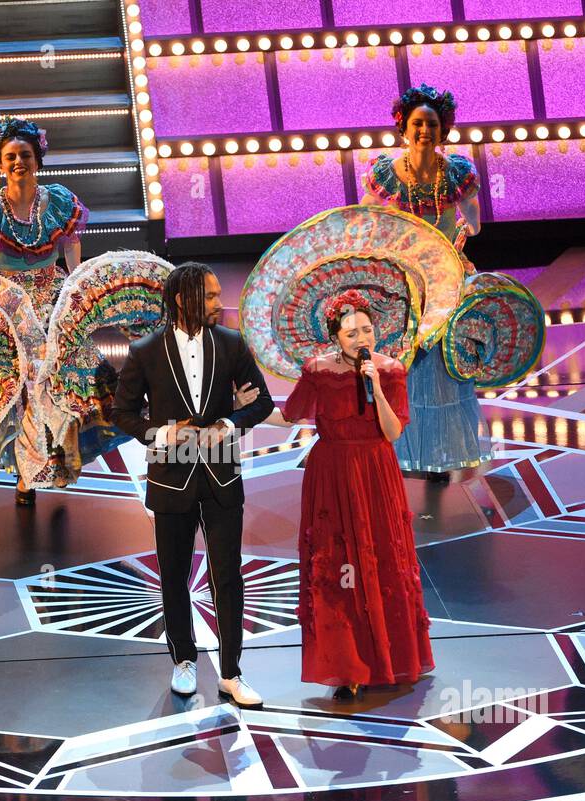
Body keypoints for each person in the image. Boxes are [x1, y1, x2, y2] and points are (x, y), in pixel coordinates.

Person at [244, 291, 435, 700]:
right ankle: (347, 663)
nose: (361, 338)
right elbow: (290, 416)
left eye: (367, 330)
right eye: (351, 333)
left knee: (382, 559)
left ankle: (391, 655)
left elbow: (393, 431)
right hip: (330, 474)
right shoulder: (317, 371)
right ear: (335, 337)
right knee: (339, 566)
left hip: (376, 474)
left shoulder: (391, 370)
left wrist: (377, 388)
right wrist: (252, 406)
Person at [112, 263, 274, 707]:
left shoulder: (231, 343)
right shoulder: (146, 351)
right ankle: (183, 661)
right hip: (171, 469)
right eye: (208, 296)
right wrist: (164, 434)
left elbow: (261, 403)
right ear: (182, 299)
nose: (218, 303)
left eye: (218, 294)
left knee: (229, 574)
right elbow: (122, 414)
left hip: (222, 468)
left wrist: (228, 422)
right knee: (173, 577)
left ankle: (232, 672)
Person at [0, 116, 118, 503]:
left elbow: (72, 245)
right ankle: (25, 471)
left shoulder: (57, 200)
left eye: (25, 154)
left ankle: (56, 457)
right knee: (17, 389)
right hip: (9, 304)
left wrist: (77, 288)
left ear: (37, 158)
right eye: (11, 156)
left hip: (53, 296)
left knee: (60, 382)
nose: (19, 161)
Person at [361, 84, 484, 482]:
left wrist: (464, 227)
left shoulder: (457, 172)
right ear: (404, 127)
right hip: (406, 279)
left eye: (432, 123)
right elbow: (365, 214)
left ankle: (438, 451)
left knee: (443, 365)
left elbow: (475, 221)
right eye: (418, 123)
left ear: (443, 128)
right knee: (404, 362)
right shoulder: (389, 172)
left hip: (445, 278)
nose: (424, 130)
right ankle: (400, 445)